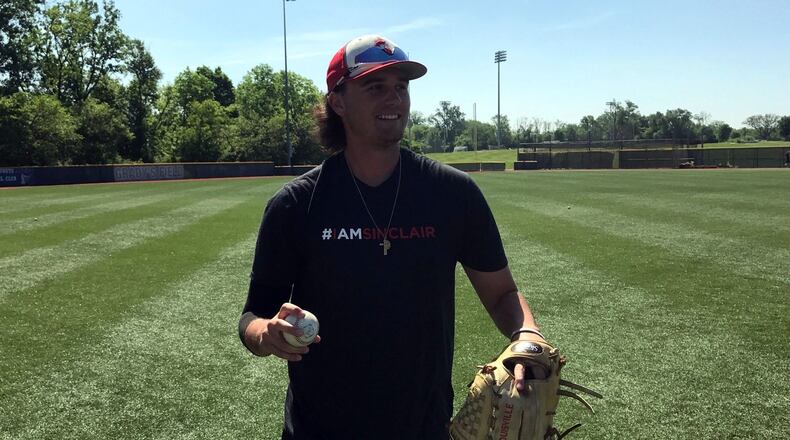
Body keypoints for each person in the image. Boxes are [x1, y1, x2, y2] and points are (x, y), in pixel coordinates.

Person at [238, 34, 545, 439]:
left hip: (423, 427)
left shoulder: (453, 194)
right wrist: (267, 334)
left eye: (401, 87)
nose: (394, 99)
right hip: (319, 430)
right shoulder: (296, 205)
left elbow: (502, 294)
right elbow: (251, 316)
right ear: (339, 101)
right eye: (375, 86)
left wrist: (528, 337)